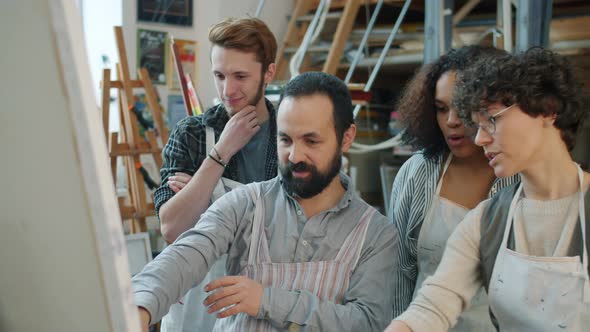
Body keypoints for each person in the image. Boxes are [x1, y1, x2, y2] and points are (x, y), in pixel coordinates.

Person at [133, 72, 398, 331]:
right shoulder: (245, 203)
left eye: (311, 140)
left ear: (347, 138)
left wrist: (266, 300)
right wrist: (139, 306)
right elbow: (185, 255)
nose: (295, 155)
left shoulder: (375, 234)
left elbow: (367, 322)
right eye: (285, 139)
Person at [386, 47, 590, 332]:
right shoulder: (486, 220)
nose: (480, 139)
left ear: (548, 110)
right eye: (477, 125)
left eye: (491, 120)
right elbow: (433, 304)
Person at [153, 17, 279, 331]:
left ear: (269, 73)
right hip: (197, 308)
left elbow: (299, 228)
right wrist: (220, 152)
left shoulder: (289, 137)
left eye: (240, 76)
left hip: (266, 304)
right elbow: (171, 227)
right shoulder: (192, 134)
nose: (228, 90)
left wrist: (206, 201)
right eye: (219, 75)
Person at [389, 45, 519, 331]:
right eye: (441, 108)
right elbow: (399, 275)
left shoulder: (520, 181)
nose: (451, 121)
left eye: (461, 107)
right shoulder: (418, 173)